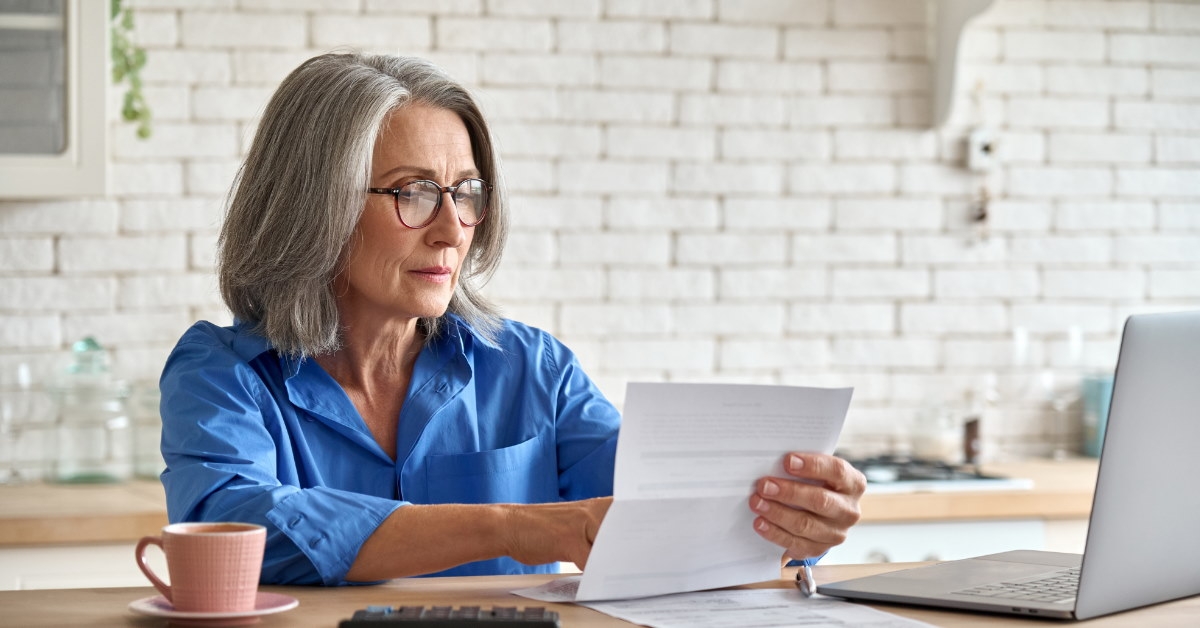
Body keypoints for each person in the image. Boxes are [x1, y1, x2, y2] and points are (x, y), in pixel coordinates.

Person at [158, 52, 866, 586]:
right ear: (316, 206)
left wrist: (791, 521)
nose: (452, 230)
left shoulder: (535, 370)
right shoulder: (221, 373)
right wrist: (514, 527)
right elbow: (234, 529)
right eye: (412, 193)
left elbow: (663, 509)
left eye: (465, 192)